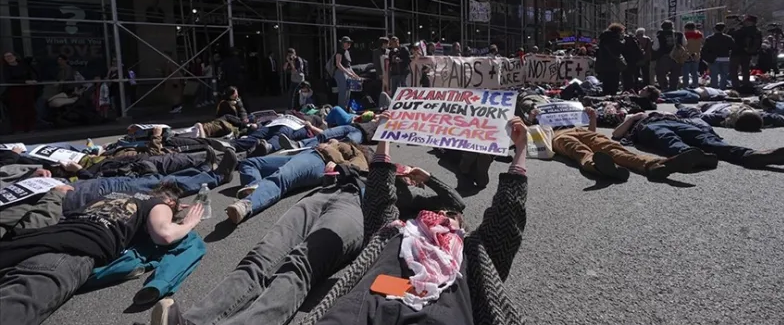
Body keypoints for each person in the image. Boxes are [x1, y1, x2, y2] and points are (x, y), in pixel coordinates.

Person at [148, 147, 465, 325]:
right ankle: (189, 323)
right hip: (324, 194)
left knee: (300, 266)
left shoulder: (410, 197)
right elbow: (354, 153)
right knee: (260, 256)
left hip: (356, 211)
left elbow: (455, 205)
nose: (403, 169)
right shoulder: (369, 166)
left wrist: (431, 180)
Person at [297, 119, 529, 325]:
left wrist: (520, 149)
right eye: (438, 214)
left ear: (462, 228)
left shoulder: (471, 250)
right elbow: (379, 197)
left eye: (450, 217)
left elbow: (506, 221)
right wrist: (385, 137)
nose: (441, 218)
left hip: (440, 313)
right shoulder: (397, 230)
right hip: (365, 303)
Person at [0, 183, 203, 325]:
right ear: (170, 202)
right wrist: (188, 223)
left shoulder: (112, 195)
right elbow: (164, 235)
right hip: (71, 251)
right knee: (14, 308)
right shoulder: (157, 204)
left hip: (28, 242)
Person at [532, 106, 698, 180]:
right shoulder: (539, 122)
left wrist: (592, 117)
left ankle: (654, 164)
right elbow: (528, 139)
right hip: (557, 136)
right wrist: (532, 120)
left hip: (581, 130)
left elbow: (593, 133)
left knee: (610, 147)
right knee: (578, 149)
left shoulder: (572, 116)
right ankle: (596, 166)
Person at [225, 140, 370, 224]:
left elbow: (358, 167)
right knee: (250, 163)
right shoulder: (341, 144)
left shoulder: (358, 152)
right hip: (307, 154)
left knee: (282, 177)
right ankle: (256, 187)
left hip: (318, 161)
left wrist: (335, 161)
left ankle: (247, 205)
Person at [612, 111, 784, 169]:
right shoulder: (637, 119)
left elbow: (698, 120)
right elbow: (617, 135)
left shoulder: (669, 113)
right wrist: (633, 118)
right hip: (651, 126)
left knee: (708, 140)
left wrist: (668, 114)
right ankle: (688, 155)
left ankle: (750, 155)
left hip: (679, 122)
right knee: (665, 137)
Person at [674, 102, 784, 131]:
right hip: (725, 104)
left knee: (690, 110)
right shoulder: (759, 117)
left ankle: (681, 106)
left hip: (713, 107)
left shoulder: (722, 118)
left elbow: (697, 118)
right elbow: (783, 119)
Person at [2, 51, 38, 132]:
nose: (9, 58)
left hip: (27, 90)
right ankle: (19, 128)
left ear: (15, 56)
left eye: (10, 55)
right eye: (6, 57)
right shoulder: (6, 67)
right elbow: (8, 80)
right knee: (17, 110)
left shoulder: (23, 65)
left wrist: (32, 80)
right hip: (15, 91)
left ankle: (31, 127)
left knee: (29, 108)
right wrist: (24, 82)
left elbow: (30, 74)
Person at [729, 14, 762, 90]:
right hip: (742, 52)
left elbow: (733, 35)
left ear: (751, 22)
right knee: (743, 69)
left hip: (741, 52)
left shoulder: (751, 31)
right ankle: (743, 84)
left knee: (737, 69)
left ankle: (739, 85)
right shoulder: (753, 30)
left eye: (747, 21)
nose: (745, 22)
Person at [595, 23, 626, 96]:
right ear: (617, 31)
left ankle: (605, 97)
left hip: (603, 64)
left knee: (606, 82)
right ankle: (612, 97)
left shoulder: (603, 38)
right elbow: (619, 48)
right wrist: (624, 41)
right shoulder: (614, 38)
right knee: (614, 82)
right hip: (613, 64)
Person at [701, 22, 735, 89]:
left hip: (714, 59)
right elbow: (733, 47)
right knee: (724, 75)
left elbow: (704, 50)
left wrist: (707, 59)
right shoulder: (728, 38)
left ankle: (714, 89)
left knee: (714, 75)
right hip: (725, 58)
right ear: (723, 29)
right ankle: (722, 89)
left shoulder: (709, 39)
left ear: (715, 29)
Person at [653, 20, 685, 91]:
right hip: (677, 57)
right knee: (675, 75)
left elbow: (655, 47)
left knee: (661, 74)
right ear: (672, 26)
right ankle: (673, 89)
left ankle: (664, 88)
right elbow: (685, 44)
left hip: (664, 57)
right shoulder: (679, 34)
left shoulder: (659, 35)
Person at [334, 37, 359, 109]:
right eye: (347, 42)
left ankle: (346, 108)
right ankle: (341, 109)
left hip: (347, 72)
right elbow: (338, 64)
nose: (349, 44)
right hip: (340, 72)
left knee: (348, 91)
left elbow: (349, 66)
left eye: (350, 43)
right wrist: (348, 73)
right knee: (343, 92)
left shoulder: (347, 52)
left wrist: (355, 75)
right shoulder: (339, 52)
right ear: (343, 43)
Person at [682, 22, 703, 89]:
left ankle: (686, 86)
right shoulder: (699, 35)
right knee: (695, 73)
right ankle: (695, 85)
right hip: (696, 56)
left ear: (687, 28)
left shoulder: (685, 35)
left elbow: (684, 46)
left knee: (686, 73)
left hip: (687, 56)